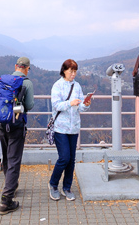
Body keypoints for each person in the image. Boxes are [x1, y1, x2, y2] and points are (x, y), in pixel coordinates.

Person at [48, 59, 91, 201]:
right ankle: (53, 184)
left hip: (74, 127)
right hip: (60, 127)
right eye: (71, 71)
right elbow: (56, 105)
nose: (73, 74)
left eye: (75, 71)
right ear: (64, 71)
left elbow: (81, 107)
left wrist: (86, 104)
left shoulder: (77, 86)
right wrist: (69, 103)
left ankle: (67, 187)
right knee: (64, 157)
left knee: (71, 160)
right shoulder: (57, 85)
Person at [0, 56, 35, 215]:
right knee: (14, 160)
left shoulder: (4, 80)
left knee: (6, 157)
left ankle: (10, 185)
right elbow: (29, 105)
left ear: (15, 66)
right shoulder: (26, 82)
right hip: (16, 125)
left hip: (1, 124)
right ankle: (6, 201)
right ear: (27, 68)